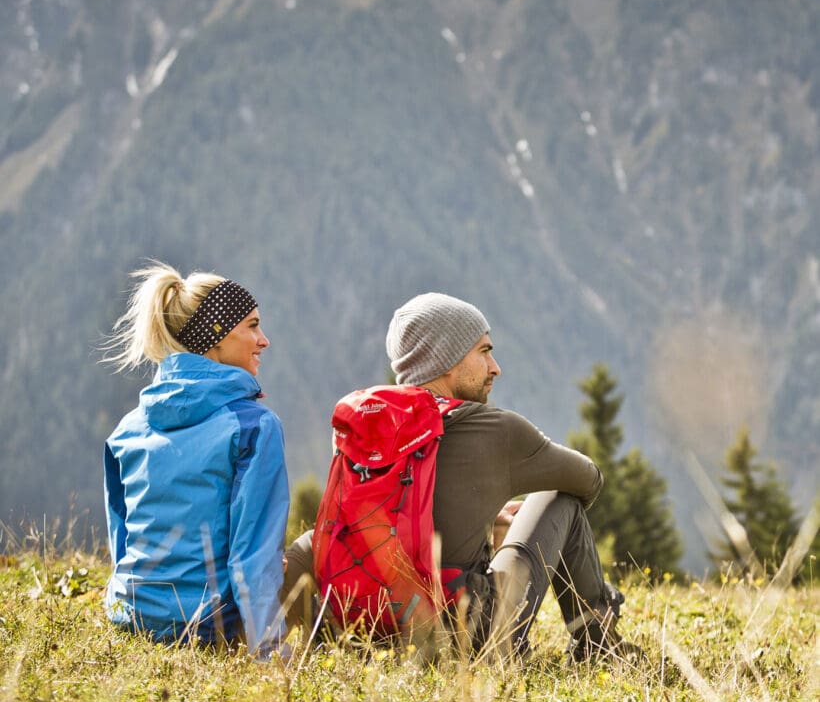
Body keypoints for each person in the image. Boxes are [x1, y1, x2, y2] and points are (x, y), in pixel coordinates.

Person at [282, 292, 634, 663]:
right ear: (446, 359)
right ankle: (600, 645)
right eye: (483, 351)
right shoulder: (496, 429)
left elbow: (401, 512)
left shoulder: (366, 426)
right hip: (469, 637)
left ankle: (254, 639)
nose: (494, 367)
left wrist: (483, 512)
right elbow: (588, 480)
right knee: (560, 500)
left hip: (359, 628)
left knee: (313, 540)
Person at [103, 263, 289, 656]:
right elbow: (252, 558)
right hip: (205, 625)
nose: (264, 340)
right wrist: (272, 659)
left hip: (128, 615)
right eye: (252, 326)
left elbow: (123, 544)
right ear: (215, 338)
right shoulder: (254, 427)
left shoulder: (127, 429)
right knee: (307, 559)